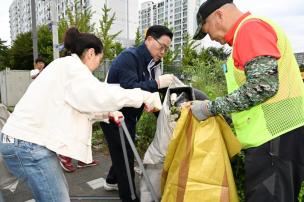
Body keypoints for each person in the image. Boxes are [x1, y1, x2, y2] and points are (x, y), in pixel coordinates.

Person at [0, 27, 160, 201]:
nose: (98, 65)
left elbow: (78, 104)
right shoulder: (74, 69)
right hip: (29, 146)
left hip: (21, 143)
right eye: (100, 59)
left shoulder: (64, 66)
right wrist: (145, 95)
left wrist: (107, 114)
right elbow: (99, 95)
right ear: (91, 53)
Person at [190, 0, 304, 201]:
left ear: (219, 15)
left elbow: (262, 87)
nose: (211, 38)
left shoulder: (250, 29)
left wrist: (210, 107)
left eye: (208, 31)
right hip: (277, 139)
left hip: (274, 139)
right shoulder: (246, 34)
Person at [100, 25, 174, 201]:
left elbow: (148, 93)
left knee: (122, 152)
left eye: (167, 48)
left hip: (130, 117)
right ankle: (130, 197)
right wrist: (157, 83)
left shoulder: (152, 63)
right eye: (161, 46)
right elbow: (130, 86)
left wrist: (164, 117)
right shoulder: (129, 57)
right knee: (126, 158)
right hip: (114, 117)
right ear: (149, 40)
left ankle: (111, 180)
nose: (163, 52)